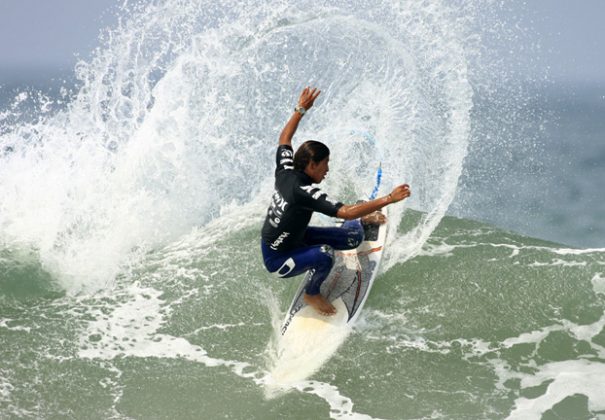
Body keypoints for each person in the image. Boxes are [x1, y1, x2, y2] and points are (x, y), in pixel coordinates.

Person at [260, 87, 411, 316]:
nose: (327, 169)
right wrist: (389, 198)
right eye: (325, 164)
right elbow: (347, 212)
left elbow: (284, 139)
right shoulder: (305, 192)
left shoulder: (286, 170)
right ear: (312, 165)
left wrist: (301, 109)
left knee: (354, 238)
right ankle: (312, 293)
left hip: (296, 236)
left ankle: (363, 219)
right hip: (278, 257)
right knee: (325, 253)